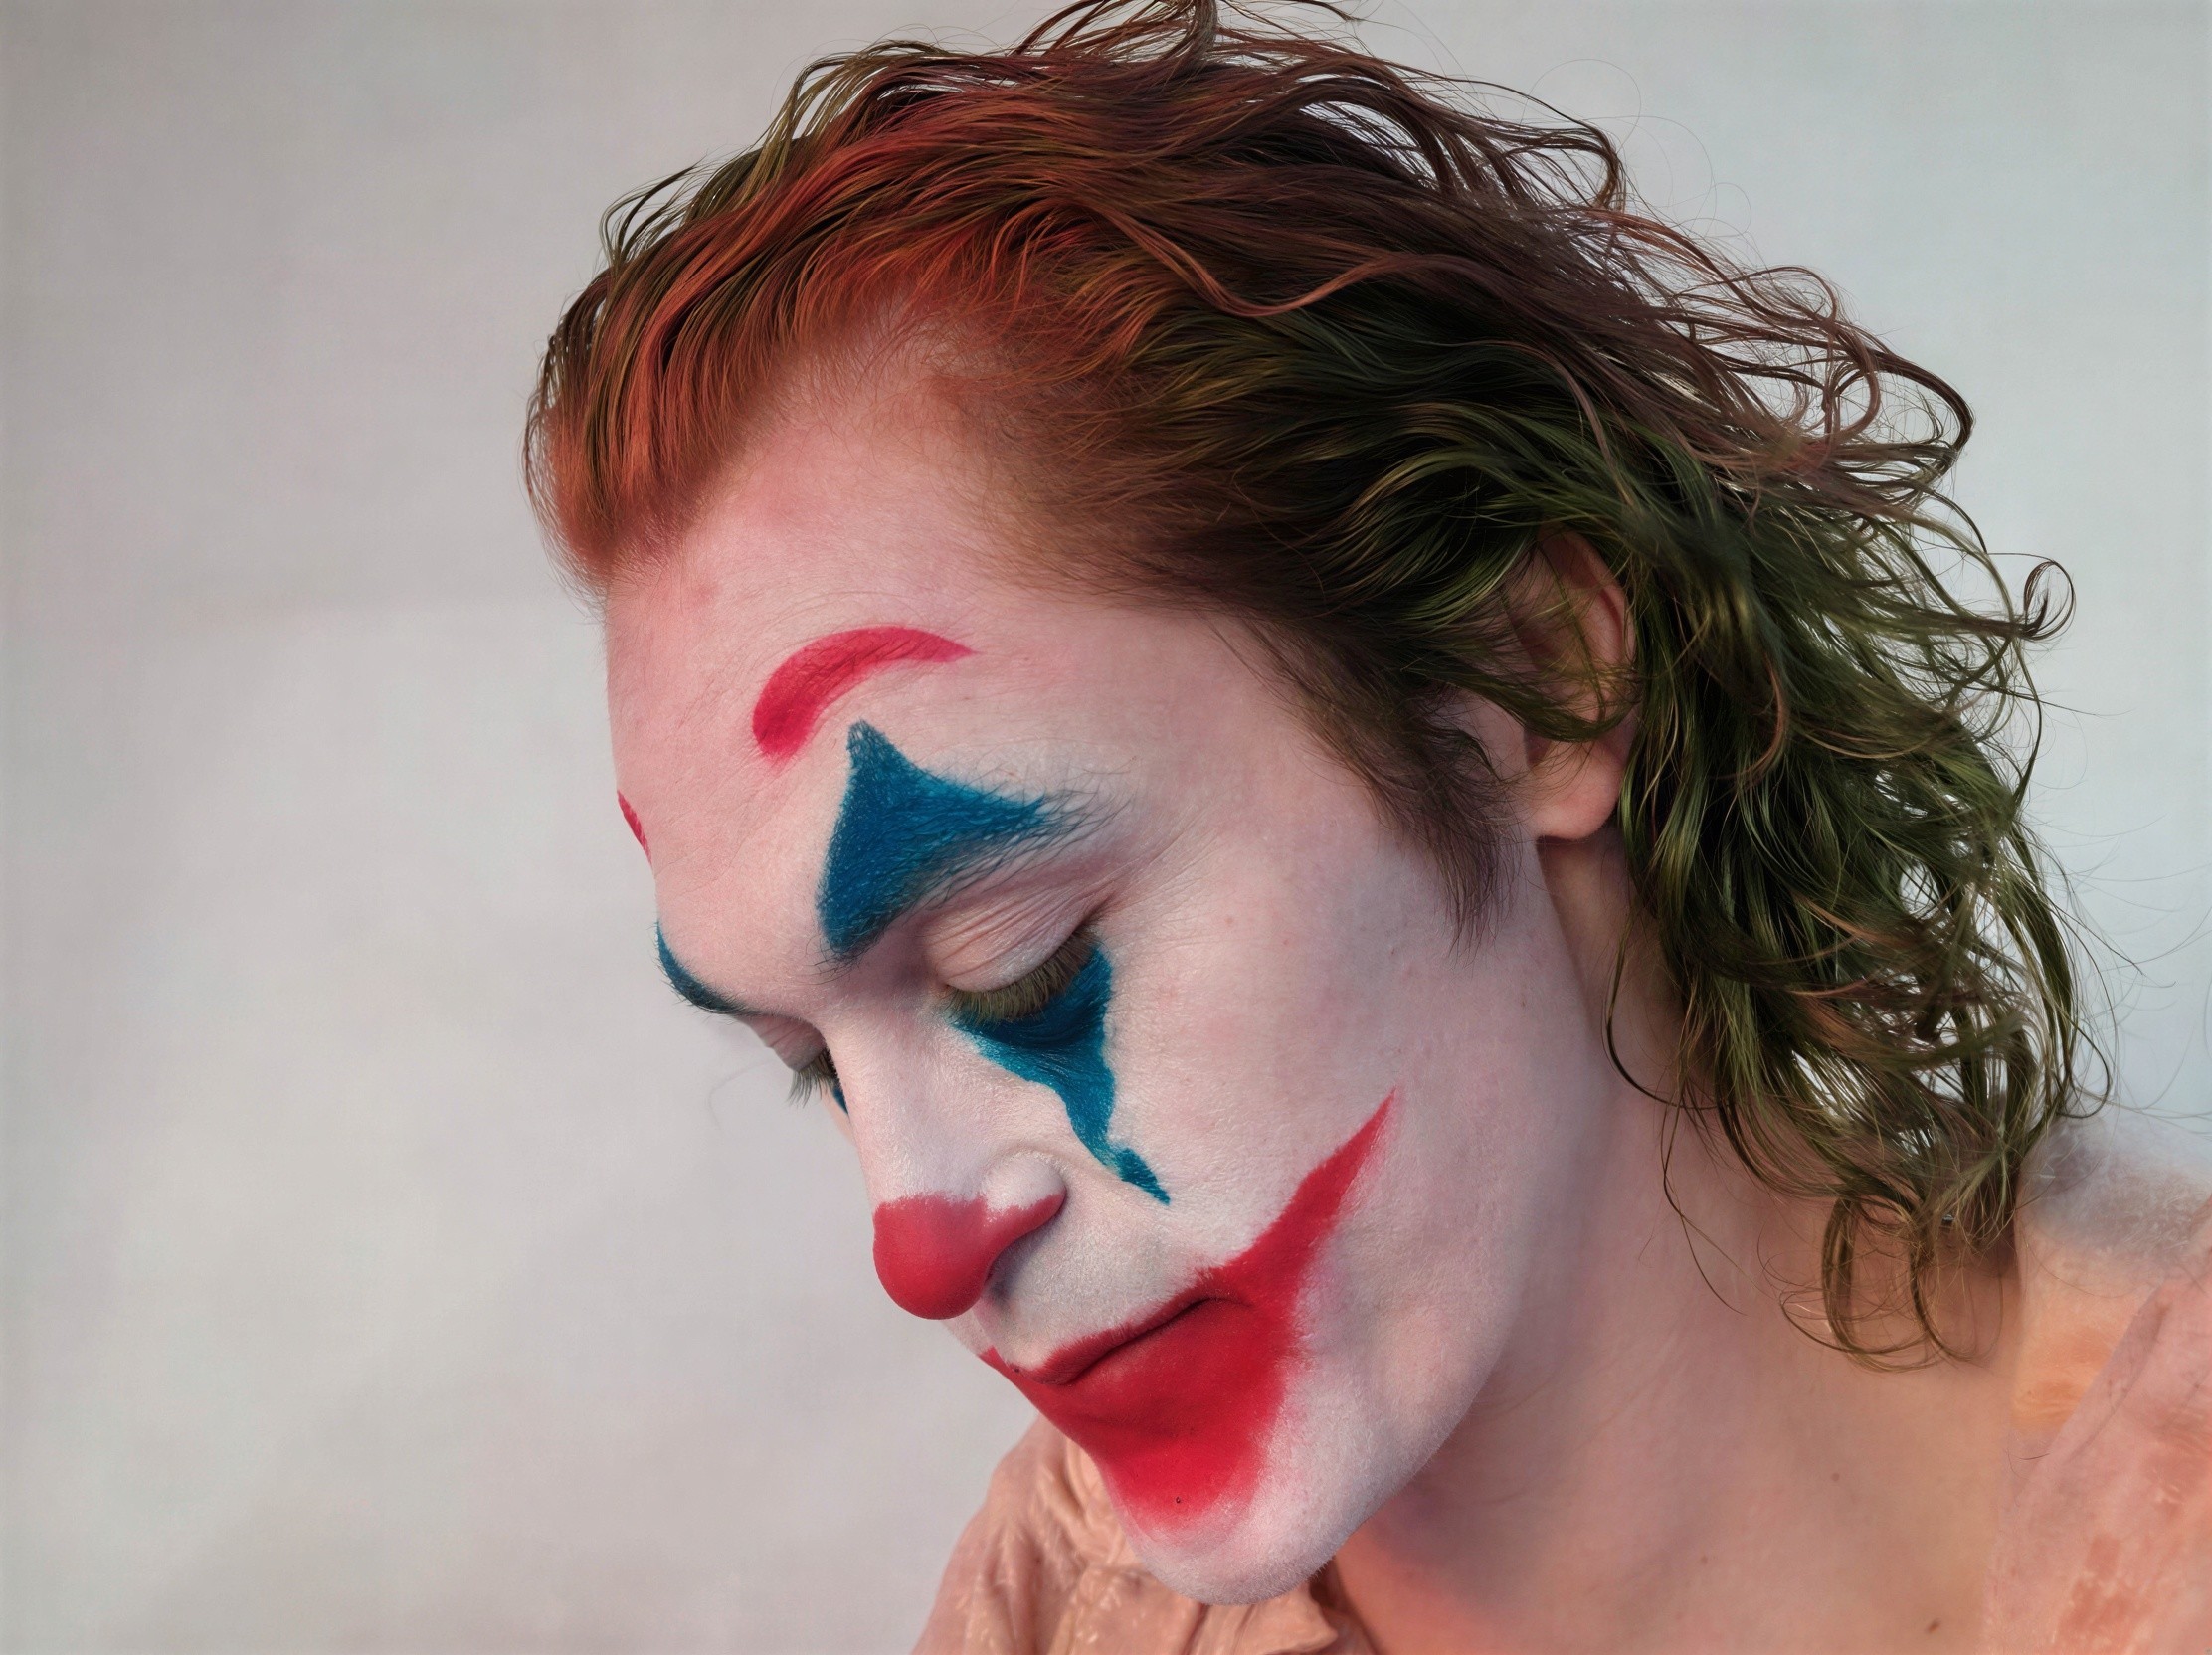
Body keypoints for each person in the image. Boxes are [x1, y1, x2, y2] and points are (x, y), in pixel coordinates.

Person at [524, 2, 2211, 1648]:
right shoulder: (1059, 1606)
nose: (919, 1242)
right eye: (820, 1065)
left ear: (1534, 680)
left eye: (1019, 958)